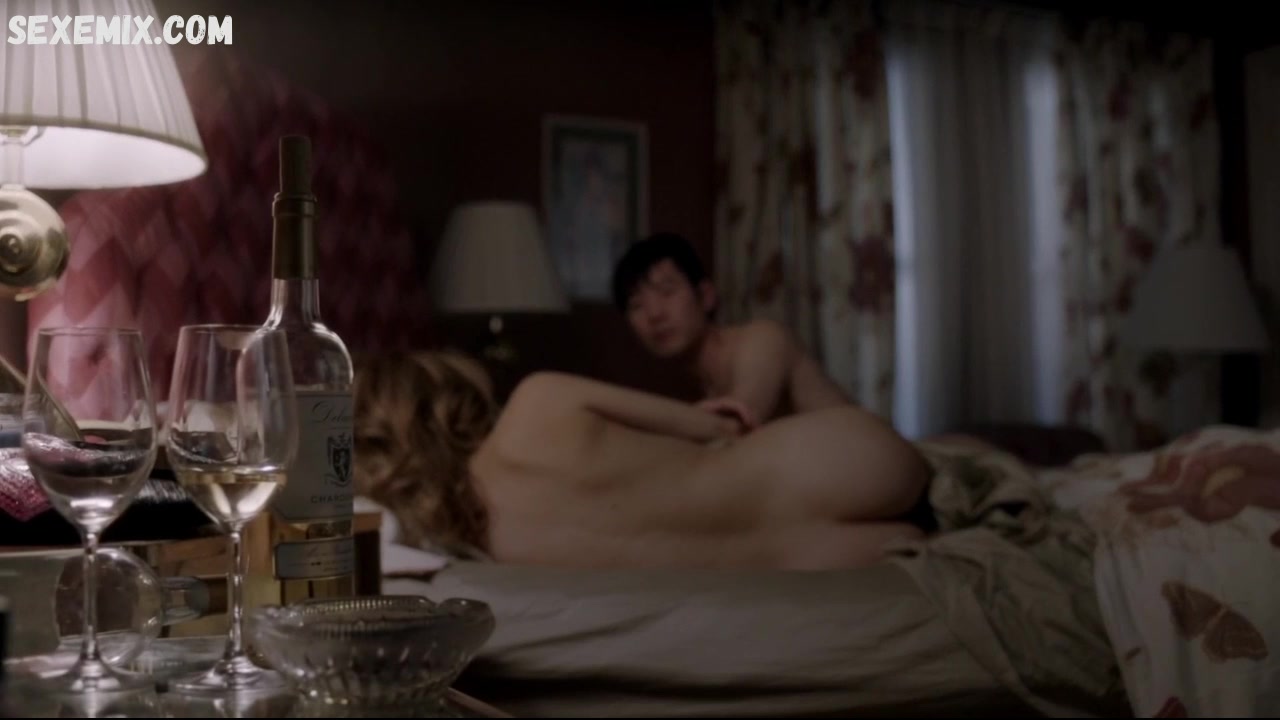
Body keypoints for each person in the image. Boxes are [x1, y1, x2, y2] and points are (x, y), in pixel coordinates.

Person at [354, 351, 933, 571]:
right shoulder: (538, 398)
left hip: (830, 559)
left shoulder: (495, 549)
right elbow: (719, 426)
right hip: (837, 461)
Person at [612, 233, 851, 431]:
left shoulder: (762, 339)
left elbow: (740, 415)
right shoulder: (693, 388)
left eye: (667, 292)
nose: (654, 314)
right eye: (637, 305)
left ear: (706, 296)